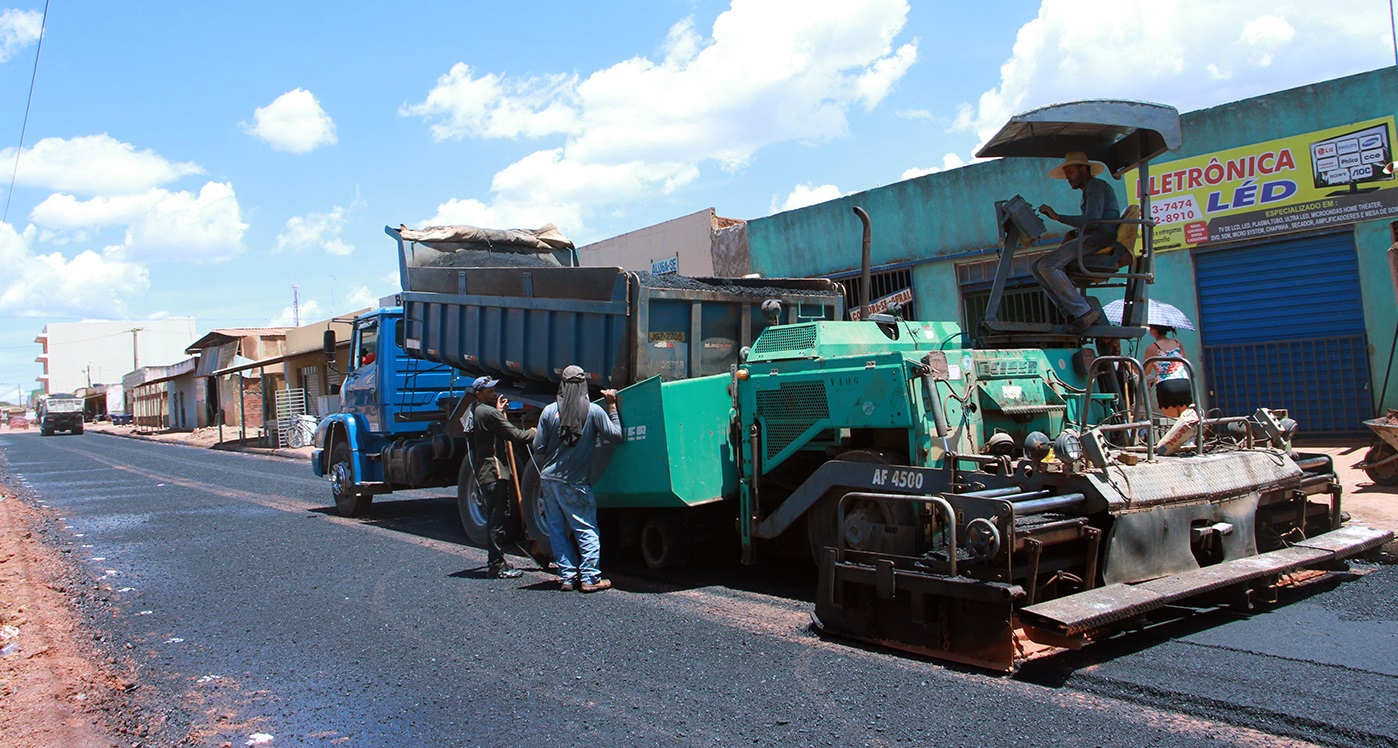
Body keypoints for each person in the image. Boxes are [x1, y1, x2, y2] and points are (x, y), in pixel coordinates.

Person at [532, 365, 622, 593]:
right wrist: (612, 406)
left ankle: (567, 577)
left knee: (557, 529)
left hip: (549, 480)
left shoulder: (549, 411)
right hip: (575, 483)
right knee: (586, 529)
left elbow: (538, 448)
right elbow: (617, 436)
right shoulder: (593, 411)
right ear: (584, 385)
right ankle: (590, 578)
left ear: (561, 385)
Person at [1033, 151, 1122, 334]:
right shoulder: (1090, 189)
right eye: (1066, 174)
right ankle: (1070, 314)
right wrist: (1073, 233)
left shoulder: (1095, 185)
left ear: (1084, 169)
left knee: (1048, 265)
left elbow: (1092, 220)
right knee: (1036, 266)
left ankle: (1083, 311)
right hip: (1091, 236)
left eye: (1071, 172)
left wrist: (1058, 217)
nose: (1068, 178)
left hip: (1098, 238)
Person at [466, 375, 536, 579]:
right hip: (494, 472)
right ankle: (496, 565)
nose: (494, 392)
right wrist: (535, 431)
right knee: (497, 520)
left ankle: (498, 561)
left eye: (494, 388)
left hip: (484, 471)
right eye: (489, 390)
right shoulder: (488, 413)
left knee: (497, 518)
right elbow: (516, 436)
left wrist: (499, 412)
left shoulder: (476, 410)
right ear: (478, 393)